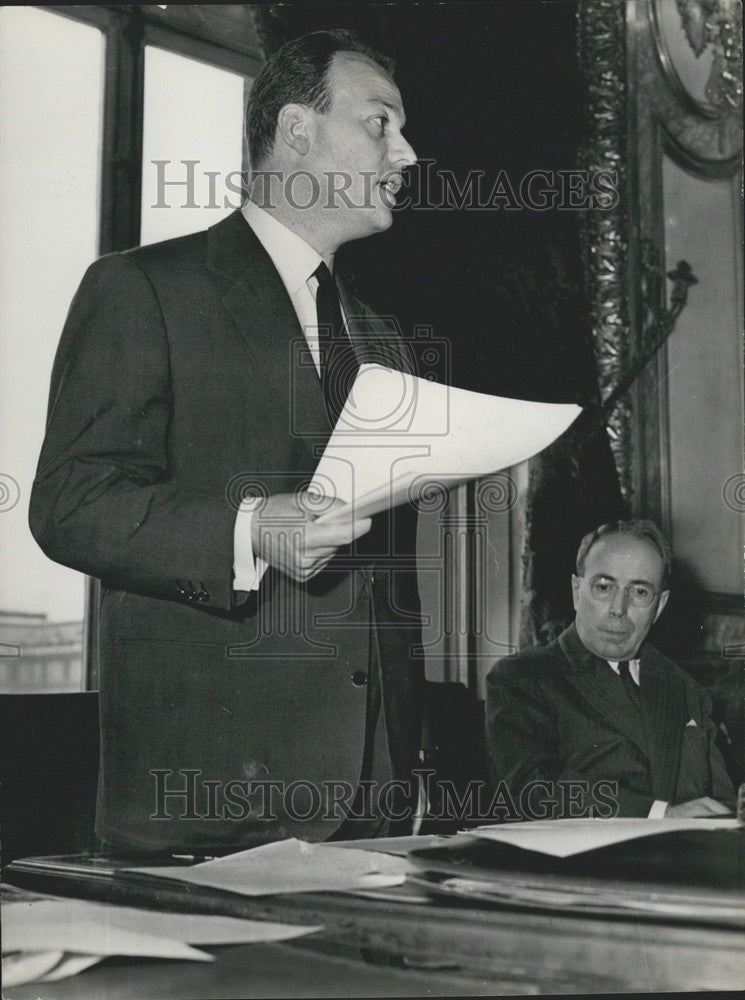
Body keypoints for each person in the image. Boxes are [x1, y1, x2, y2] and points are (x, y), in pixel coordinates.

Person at [30, 30, 425, 852]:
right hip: (206, 811)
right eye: (381, 123)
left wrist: (401, 764)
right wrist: (251, 529)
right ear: (296, 131)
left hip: (370, 814)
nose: (407, 152)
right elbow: (70, 504)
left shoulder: (382, 339)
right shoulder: (141, 289)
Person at [485, 519, 735, 819]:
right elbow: (530, 790)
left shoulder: (685, 689)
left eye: (640, 592)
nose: (619, 608)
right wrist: (657, 814)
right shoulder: (522, 678)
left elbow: (722, 805)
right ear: (577, 592)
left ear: (660, 605)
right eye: (604, 587)